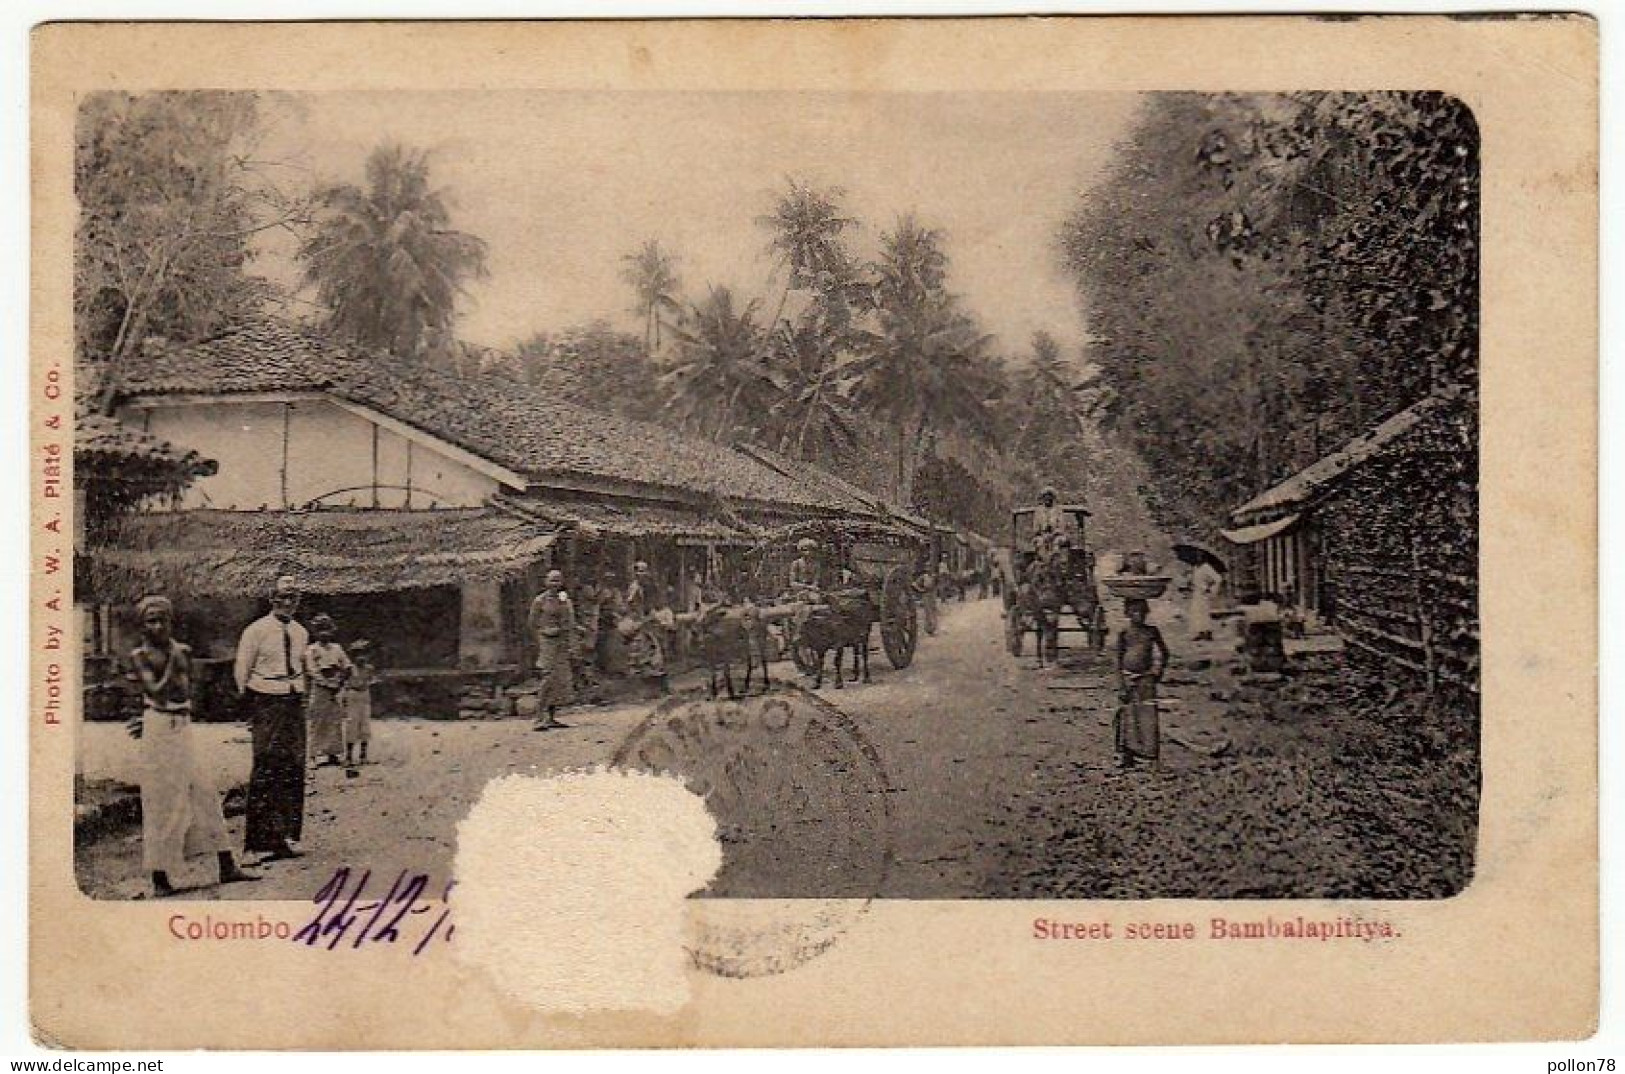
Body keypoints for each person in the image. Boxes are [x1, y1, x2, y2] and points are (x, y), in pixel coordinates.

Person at [127, 595, 258, 897]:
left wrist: (175, 668)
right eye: (151, 620)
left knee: (204, 789)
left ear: (172, 621)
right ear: (143, 625)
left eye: (164, 619)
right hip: (158, 727)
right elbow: (157, 693)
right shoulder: (141, 655)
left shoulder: (181, 651)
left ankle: (226, 864)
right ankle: (159, 878)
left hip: (182, 726)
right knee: (162, 799)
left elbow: (186, 692)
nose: (158, 626)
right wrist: (172, 665)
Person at [234, 576, 310, 862]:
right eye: (282, 597)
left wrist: (301, 694)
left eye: (293, 597)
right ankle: (257, 843)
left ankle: (284, 837)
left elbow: (303, 666)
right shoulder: (256, 631)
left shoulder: (301, 632)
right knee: (266, 763)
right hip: (265, 698)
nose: (288, 603)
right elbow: (243, 666)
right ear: (272, 599)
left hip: (292, 698)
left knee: (293, 765)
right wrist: (247, 702)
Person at [1114, 598, 1170, 769]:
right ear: (1128, 613)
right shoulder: (1124, 633)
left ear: (1146, 613)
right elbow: (1117, 659)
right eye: (1134, 612)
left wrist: (1157, 671)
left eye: (1141, 612)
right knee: (1126, 717)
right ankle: (1127, 755)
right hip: (1127, 678)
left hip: (1146, 679)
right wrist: (1121, 682)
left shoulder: (1151, 631)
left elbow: (1165, 653)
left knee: (1148, 716)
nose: (1138, 616)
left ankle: (1152, 756)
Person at [528, 569, 575, 730]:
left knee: (558, 679)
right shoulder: (539, 600)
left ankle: (551, 717)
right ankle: (538, 717)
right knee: (547, 678)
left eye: (558, 581)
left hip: (561, 641)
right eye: (552, 581)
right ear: (546, 582)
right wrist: (544, 633)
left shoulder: (563, 599)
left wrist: (565, 605)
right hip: (547, 641)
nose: (555, 584)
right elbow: (532, 623)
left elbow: (569, 621)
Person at [303, 614, 352, 768]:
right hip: (320, 689)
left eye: (327, 630)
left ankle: (333, 753)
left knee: (335, 721)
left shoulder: (337, 648)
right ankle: (314, 756)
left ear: (332, 631)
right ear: (315, 632)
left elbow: (347, 666)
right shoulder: (311, 650)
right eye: (320, 630)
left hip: (336, 688)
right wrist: (326, 683)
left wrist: (340, 681)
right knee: (318, 721)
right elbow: (312, 670)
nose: (324, 633)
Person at [343, 640, 375, 767]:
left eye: (364, 654)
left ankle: (363, 756)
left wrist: (367, 684)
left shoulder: (369, 668)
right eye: (357, 654)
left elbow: (370, 680)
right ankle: (349, 757)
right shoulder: (350, 669)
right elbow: (344, 681)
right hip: (353, 695)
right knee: (351, 724)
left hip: (364, 695)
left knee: (365, 724)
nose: (361, 657)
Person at [1188, 560, 1223, 641]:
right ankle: (1200, 632)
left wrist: (1210, 588)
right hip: (1197, 593)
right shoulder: (1195, 568)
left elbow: (1218, 578)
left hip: (1204, 594)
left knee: (1205, 612)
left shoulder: (1206, 567)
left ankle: (1208, 632)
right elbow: (1196, 581)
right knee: (1196, 612)